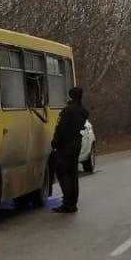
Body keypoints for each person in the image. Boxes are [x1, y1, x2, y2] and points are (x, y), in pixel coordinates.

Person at [50, 86, 89, 214]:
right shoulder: (83, 111)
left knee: (62, 172)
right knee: (73, 173)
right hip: (76, 143)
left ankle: (67, 202)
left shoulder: (67, 111)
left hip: (65, 144)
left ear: (70, 96)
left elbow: (61, 129)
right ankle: (73, 202)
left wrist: (55, 143)